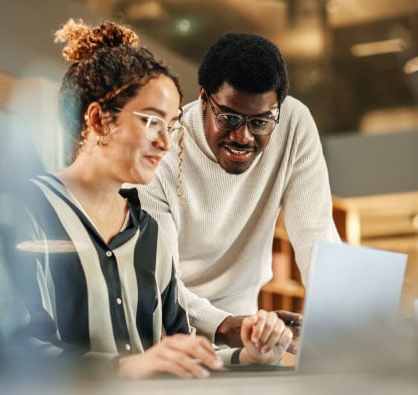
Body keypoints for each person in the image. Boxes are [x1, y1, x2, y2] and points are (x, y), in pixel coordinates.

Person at [4, 20, 292, 380]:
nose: (166, 143)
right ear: (99, 120)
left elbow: (183, 348)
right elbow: (12, 350)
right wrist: (125, 368)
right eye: (152, 122)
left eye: (171, 126)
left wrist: (248, 356)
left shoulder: (149, 234)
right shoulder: (25, 211)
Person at [137, 32, 341, 347]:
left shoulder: (294, 125)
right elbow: (158, 281)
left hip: (246, 328)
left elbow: (317, 235)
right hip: (168, 333)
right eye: (229, 117)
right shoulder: (160, 152)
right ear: (204, 99)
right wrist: (225, 326)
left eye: (260, 122)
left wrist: (347, 325)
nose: (243, 137)